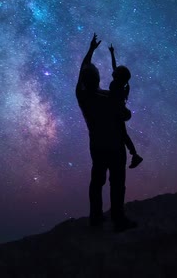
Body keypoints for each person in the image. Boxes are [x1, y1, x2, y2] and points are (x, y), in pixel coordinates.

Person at [76, 33, 137, 232]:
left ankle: (96, 219)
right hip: (115, 147)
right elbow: (125, 115)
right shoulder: (109, 98)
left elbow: (83, 68)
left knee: (97, 182)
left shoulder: (82, 95)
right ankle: (118, 220)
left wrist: (91, 50)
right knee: (117, 184)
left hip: (97, 146)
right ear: (98, 79)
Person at [108, 44, 143, 169]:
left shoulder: (118, 86)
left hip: (118, 113)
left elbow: (113, 98)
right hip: (119, 112)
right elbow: (114, 66)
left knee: (123, 134)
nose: (114, 71)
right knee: (123, 134)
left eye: (116, 72)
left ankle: (135, 155)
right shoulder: (120, 84)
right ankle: (134, 155)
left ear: (119, 76)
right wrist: (112, 53)